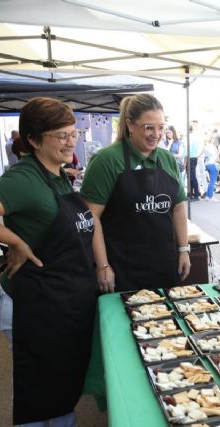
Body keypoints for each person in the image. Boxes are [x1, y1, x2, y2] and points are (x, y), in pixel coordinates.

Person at [0, 97, 98, 426]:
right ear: (34, 140)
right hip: (34, 307)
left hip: (59, 302)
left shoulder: (58, 174)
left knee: (60, 389)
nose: (70, 141)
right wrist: (14, 240)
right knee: (41, 395)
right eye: (60, 135)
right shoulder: (25, 178)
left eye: (72, 133)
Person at [80, 93, 190, 292]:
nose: (156, 134)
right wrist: (103, 265)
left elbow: (179, 208)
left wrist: (183, 249)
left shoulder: (167, 159)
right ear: (130, 125)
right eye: (148, 127)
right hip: (122, 267)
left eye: (161, 127)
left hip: (164, 264)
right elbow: (91, 216)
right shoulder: (107, 160)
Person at [201, 136, 219, 201]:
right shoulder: (213, 147)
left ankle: (208, 196)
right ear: (211, 140)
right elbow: (217, 157)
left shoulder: (205, 147)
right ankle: (210, 196)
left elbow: (202, 154)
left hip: (207, 164)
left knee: (211, 181)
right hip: (212, 164)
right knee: (212, 181)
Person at [188, 120, 201, 200]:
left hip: (192, 158)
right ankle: (192, 194)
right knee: (191, 177)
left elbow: (188, 149)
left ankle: (196, 194)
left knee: (192, 177)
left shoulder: (194, 136)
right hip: (192, 158)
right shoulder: (192, 136)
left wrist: (197, 156)